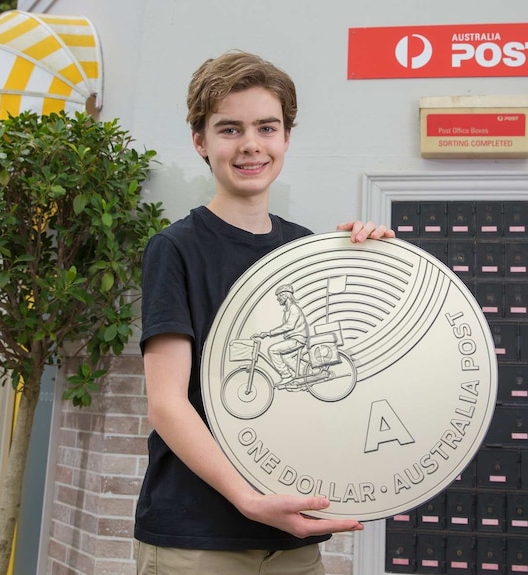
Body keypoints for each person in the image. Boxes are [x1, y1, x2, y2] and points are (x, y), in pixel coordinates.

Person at [135, 50, 394, 574]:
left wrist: (380, 261)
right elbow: (166, 405)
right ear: (200, 142)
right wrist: (247, 498)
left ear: (286, 138)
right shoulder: (175, 249)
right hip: (198, 540)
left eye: (266, 127)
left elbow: (357, 381)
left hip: (294, 541)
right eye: (229, 129)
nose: (251, 145)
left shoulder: (308, 249)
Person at [256, 284, 309, 387]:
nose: (277, 299)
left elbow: (289, 326)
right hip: (295, 338)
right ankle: (307, 376)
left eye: (279, 296)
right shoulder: (288, 309)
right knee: (286, 358)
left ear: (285, 295)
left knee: (273, 350)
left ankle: (286, 376)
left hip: (297, 339)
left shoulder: (294, 309)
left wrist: (269, 333)